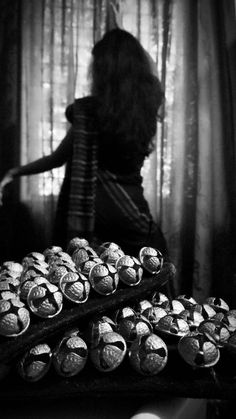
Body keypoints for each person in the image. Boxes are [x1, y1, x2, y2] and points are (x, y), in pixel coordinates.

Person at [0, 3, 167, 259]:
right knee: (145, 273)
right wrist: (119, 35)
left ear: (103, 71)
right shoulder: (147, 105)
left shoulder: (90, 114)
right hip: (133, 212)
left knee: (94, 281)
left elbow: (57, 158)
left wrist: (14, 171)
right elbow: (137, 72)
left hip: (95, 215)